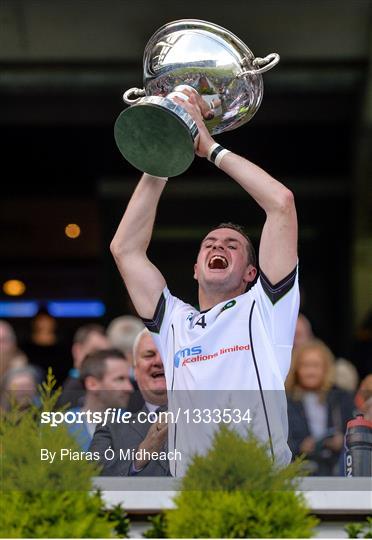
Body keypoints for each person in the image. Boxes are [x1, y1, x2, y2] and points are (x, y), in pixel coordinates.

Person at [110, 88, 299, 476]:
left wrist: (209, 147)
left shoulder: (265, 310)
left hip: (260, 488)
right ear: (196, 268)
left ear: (251, 273)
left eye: (232, 245)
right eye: (210, 243)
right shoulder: (174, 323)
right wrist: (166, 146)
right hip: (189, 496)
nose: (219, 246)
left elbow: (280, 203)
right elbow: (125, 249)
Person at [90, 329, 169, 476]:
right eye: (149, 355)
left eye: (166, 353)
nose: (158, 361)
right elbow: (93, 475)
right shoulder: (110, 429)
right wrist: (140, 456)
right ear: (135, 371)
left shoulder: (207, 419)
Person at [286, 339, 354, 476]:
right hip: (300, 470)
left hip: (336, 470)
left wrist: (342, 441)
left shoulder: (341, 398)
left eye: (316, 365)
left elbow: (355, 432)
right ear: (296, 369)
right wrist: (301, 446)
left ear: (326, 368)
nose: (310, 371)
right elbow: (278, 440)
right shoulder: (287, 400)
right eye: (305, 365)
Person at [65, 348, 133, 451]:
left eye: (129, 379)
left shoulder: (134, 427)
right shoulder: (60, 427)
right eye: (120, 379)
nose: (129, 388)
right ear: (92, 384)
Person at [58, 324, 110, 408]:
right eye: (95, 351)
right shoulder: (73, 390)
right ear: (77, 350)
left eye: (106, 354)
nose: (102, 360)